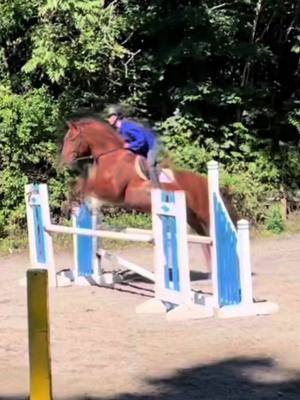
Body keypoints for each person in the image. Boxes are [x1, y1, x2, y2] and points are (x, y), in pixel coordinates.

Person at [104, 104, 160, 186]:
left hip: (152, 145)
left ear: (115, 117)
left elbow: (142, 140)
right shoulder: (119, 130)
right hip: (142, 148)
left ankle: (157, 188)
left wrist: (129, 146)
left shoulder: (127, 127)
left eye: (109, 117)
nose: (108, 119)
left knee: (150, 164)